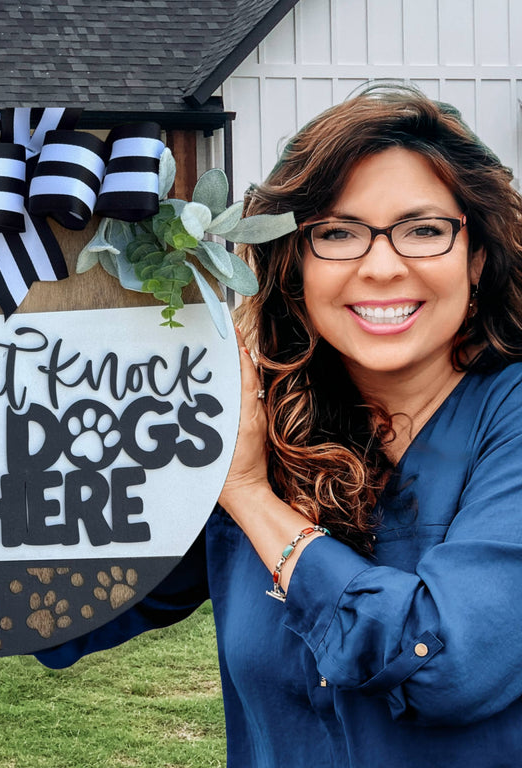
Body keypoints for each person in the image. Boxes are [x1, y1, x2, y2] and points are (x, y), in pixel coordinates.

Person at [35, 83, 522, 766]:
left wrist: (249, 496)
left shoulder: (508, 418)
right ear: (294, 265)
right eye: (338, 233)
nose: (382, 266)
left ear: (476, 258)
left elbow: (446, 666)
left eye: (423, 229)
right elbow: (63, 611)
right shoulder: (264, 416)